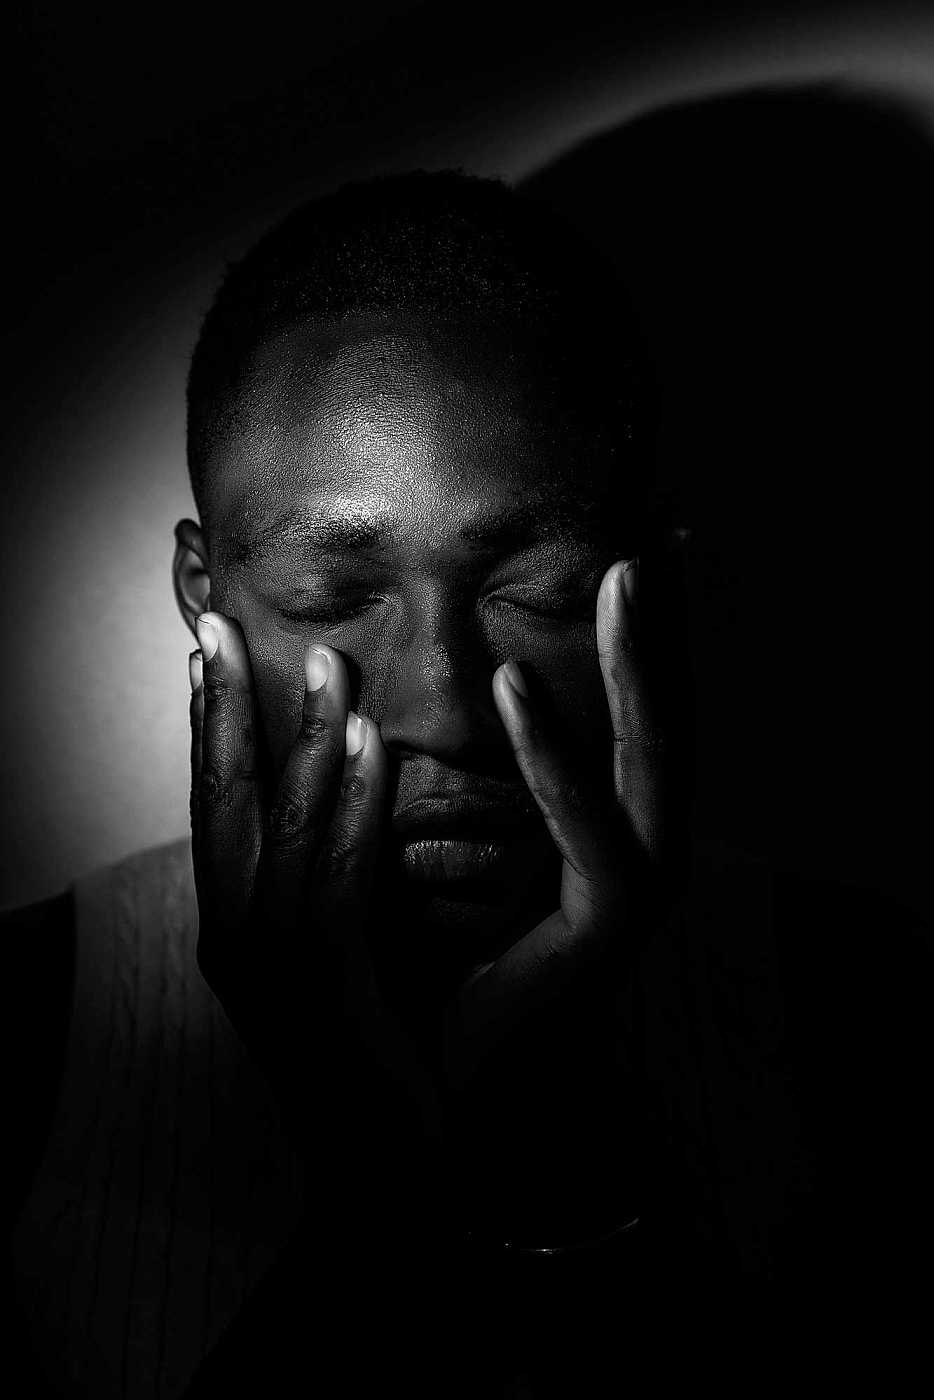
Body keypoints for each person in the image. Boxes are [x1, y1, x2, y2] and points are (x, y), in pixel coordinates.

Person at [4, 170, 930, 1398]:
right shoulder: (22, 1030)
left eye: (533, 594)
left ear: (653, 583)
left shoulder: (874, 1006)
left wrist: (545, 1143)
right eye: (335, 596)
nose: (443, 706)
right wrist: (381, 1180)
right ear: (203, 597)